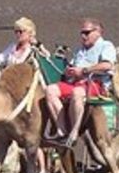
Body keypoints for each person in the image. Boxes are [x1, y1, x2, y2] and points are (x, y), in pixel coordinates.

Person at [0, 17, 50, 173]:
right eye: (16, 31)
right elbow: (1, 57)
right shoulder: (12, 47)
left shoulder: (34, 49)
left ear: (30, 32)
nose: (18, 34)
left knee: (32, 136)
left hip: (27, 86)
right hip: (9, 83)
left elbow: (46, 60)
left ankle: (43, 169)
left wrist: (38, 47)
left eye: (21, 31)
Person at [44, 18, 115, 147]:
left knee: (77, 92)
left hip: (94, 83)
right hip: (76, 82)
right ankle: (62, 131)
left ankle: (74, 132)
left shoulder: (106, 46)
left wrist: (84, 71)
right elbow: (73, 66)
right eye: (82, 33)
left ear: (98, 32)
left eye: (87, 32)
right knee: (50, 90)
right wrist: (69, 71)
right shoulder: (79, 50)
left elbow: (107, 65)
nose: (83, 36)